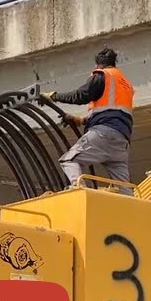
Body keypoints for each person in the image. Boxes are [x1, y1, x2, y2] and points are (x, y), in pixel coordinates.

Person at [44, 47, 135, 193]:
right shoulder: (125, 85)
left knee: (69, 160)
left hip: (103, 135)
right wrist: (80, 120)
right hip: (121, 142)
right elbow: (113, 113)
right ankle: (133, 212)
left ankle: (79, 191)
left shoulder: (102, 75)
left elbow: (81, 95)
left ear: (98, 65)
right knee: (125, 187)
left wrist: (54, 96)